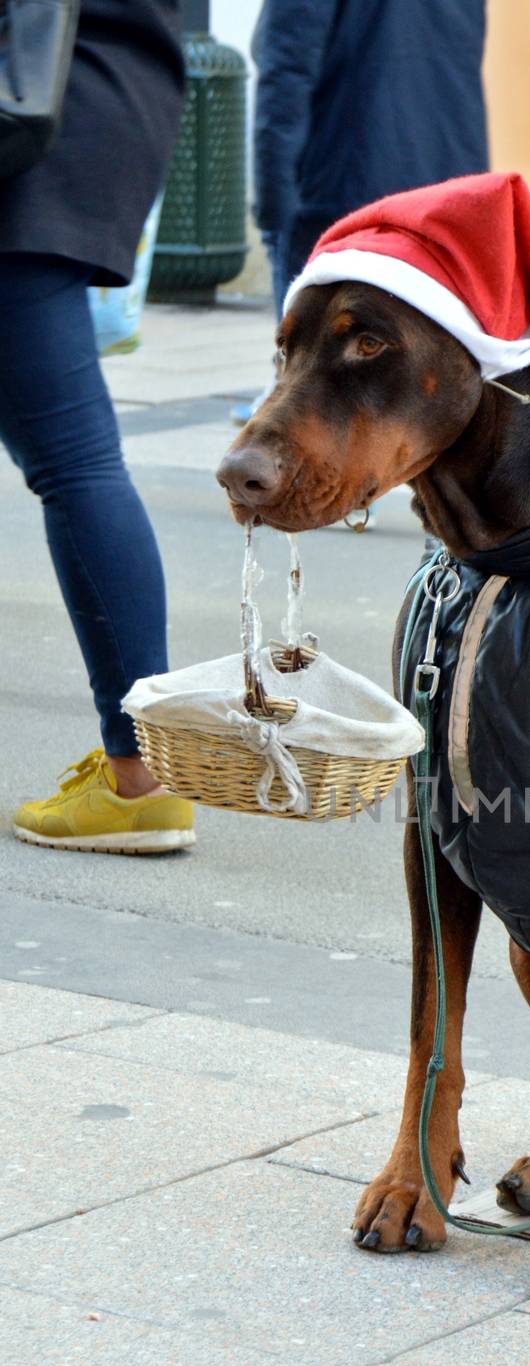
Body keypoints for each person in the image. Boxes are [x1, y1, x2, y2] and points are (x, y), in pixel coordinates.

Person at [1, 0, 195, 854]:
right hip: (97, 111)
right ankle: (141, 773)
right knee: (77, 461)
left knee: (74, 464)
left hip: (32, 136)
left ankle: (139, 779)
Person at [232, 0, 490, 433]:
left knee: (318, 402)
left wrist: (274, 201)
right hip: (443, 182)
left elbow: (286, 67)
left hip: (341, 188)